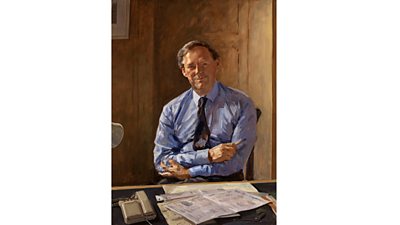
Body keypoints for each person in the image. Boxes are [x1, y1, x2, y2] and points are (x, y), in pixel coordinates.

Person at [153, 40, 257, 183]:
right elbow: (161, 161)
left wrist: (190, 172)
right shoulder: (171, 109)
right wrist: (208, 156)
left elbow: (236, 162)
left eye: (204, 64)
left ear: (217, 64)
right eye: (191, 66)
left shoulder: (242, 104)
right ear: (184, 71)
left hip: (224, 180)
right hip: (177, 180)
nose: (198, 71)